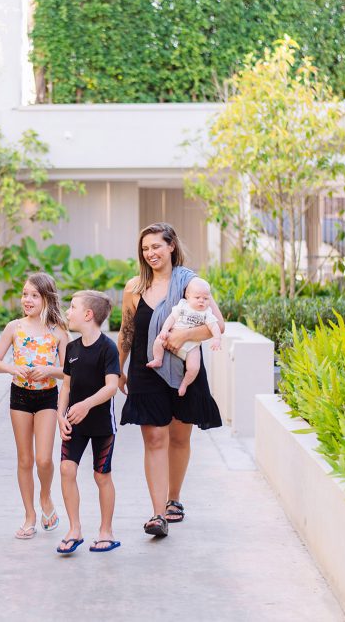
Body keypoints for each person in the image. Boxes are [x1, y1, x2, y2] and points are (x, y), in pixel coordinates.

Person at [118, 223, 223, 538]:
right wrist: (118, 369)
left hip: (183, 369)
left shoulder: (191, 284)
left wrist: (183, 334)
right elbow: (127, 332)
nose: (151, 253)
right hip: (145, 367)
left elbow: (218, 323)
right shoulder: (134, 288)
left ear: (171, 246)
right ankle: (157, 513)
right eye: (145, 248)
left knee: (179, 438)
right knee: (154, 439)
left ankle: (174, 498)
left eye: (156, 247)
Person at [0, 273, 68, 539]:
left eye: (34, 295)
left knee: (44, 459)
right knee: (25, 459)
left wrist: (48, 370)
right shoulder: (15, 327)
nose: (27, 300)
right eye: (25, 294)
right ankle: (29, 515)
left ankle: (46, 496)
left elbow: (68, 371)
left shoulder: (58, 331)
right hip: (20, 396)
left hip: (47, 397)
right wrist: (14, 367)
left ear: (47, 298)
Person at [56, 290, 122, 555]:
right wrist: (61, 414)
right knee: (66, 471)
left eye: (72, 307)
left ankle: (106, 530)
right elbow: (67, 386)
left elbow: (112, 387)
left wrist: (86, 405)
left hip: (101, 424)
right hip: (75, 423)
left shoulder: (108, 347)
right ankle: (74, 529)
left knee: (101, 475)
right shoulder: (71, 348)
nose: (67, 312)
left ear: (88, 314)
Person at [146, 278, 222, 396]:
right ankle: (158, 359)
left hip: (192, 346)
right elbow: (171, 318)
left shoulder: (207, 312)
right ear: (188, 296)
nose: (201, 301)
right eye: (197, 298)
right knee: (158, 340)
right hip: (173, 334)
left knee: (194, 367)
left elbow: (215, 327)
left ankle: (184, 384)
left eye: (206, 298)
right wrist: (165, 330)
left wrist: (217, 339)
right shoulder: (182, 306)